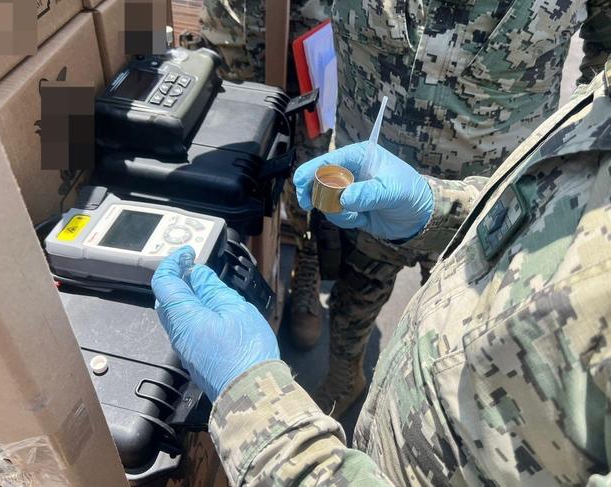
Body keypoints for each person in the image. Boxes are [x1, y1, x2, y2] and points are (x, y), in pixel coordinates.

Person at [152, 60, 611, 485]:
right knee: (354, 299)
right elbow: (561, 204)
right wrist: (443, 210)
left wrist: (256, 408)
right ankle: (346, 380)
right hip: (391, 427)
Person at [310, 0, 611, 417]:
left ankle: (426, 420)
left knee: (464, 338)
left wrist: (575, 153)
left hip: (497, 206)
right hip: (370, 186)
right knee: (353, 298)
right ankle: (345, 379)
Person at [193, 0, 333, 349]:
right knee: (230, 163)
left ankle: (308, 257)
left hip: (311, 34)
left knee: (308, 169)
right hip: (235, 32)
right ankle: (231, 268)